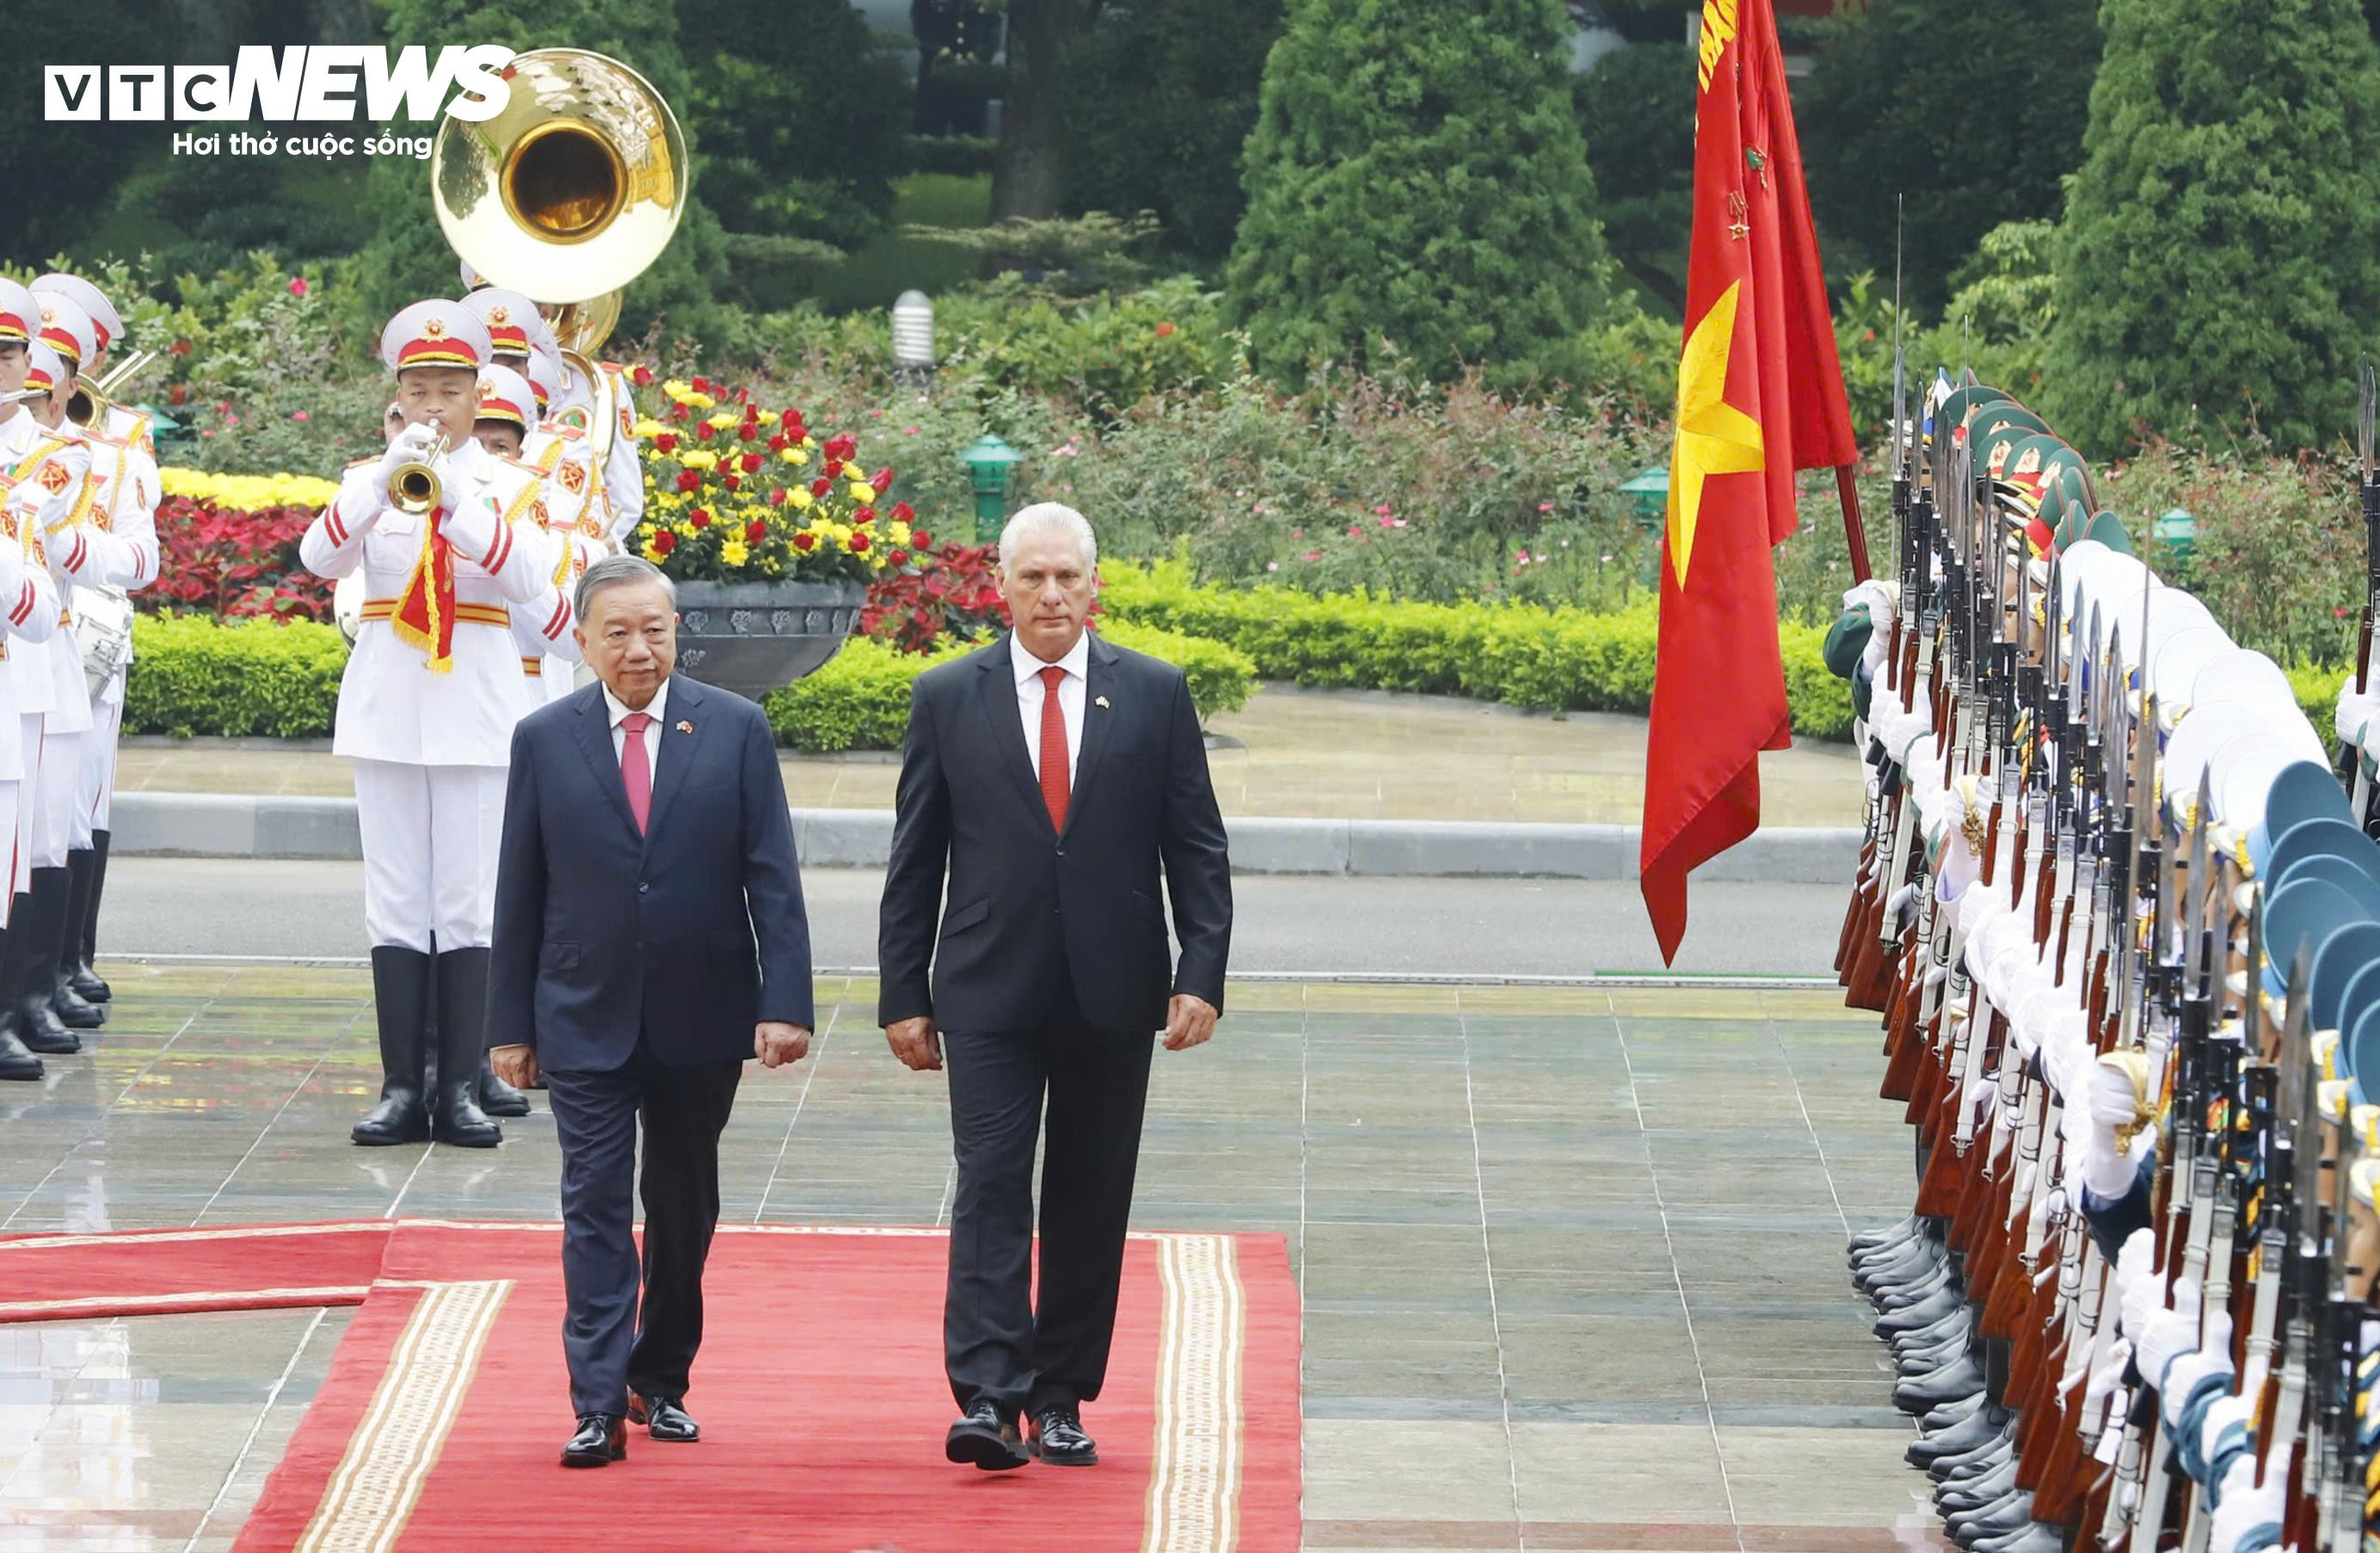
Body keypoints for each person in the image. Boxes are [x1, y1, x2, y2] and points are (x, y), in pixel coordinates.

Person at [877, 501, 1233, 1470]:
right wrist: (903, 992)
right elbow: (916, 859)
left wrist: (1201, 972)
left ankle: (1061, 1394)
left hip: (1114, 986)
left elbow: (1196, 847)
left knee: (1089, 1190)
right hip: (986, 986)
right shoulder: (947, 695)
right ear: (999, 585)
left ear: (1092, 584)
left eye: (1066, 577)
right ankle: (990, 1397)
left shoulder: (1153, 692)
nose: (1049, 595)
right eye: (1031, 577)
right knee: (991, 1182)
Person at [486, 554, 815, 1470]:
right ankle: (597, 1403)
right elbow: (519, 887)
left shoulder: (735, 728)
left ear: (677, 633)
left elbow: (772, 875)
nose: (639, 650)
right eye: (619, 633)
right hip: (580, 1009)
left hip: (701, 1011)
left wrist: (785, 1002)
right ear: (583, 641)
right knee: (592, 1203)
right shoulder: (545, 739)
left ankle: (659, 1377)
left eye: (655, 631)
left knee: (681, 1203)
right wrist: (508, 1024)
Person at [298, 300, 562, 1149]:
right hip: (388, 709)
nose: (434, 407)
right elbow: (318, 557)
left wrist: (456, 504)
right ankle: (401, 1088)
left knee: (469, 902)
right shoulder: (368, 479)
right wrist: (385, 481)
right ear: (399, 394)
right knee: (396, 901)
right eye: (419, 390)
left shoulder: (511, 486)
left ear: (479, 393)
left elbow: (531, 581)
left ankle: (460, 1087)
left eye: (451, 391)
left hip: (477, 710)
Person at [29, 273, 158, 1012]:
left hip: (84, 638)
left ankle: (61, 964)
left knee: (75, 807)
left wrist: (73, 546)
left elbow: (138, 550)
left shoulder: (114, 449)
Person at [0, 281, 77, 1079]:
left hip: (19, 667)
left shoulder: (54, 456)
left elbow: (38, 583)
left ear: (27, 363)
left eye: (5, 355)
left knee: (15, 851)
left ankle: (13, 1005)